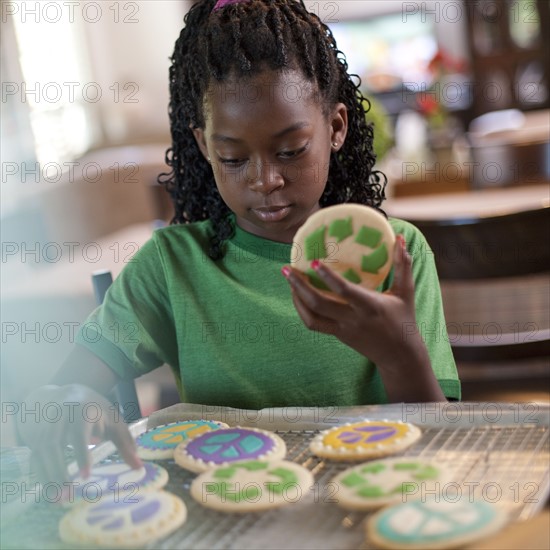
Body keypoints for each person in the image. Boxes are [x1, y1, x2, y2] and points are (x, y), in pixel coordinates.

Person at [18, 0, 460, 484]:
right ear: (206, 146)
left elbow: (440, 441)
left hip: (370, 505)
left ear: (335, 127)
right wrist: (63, 400)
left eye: (290, 151)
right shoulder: (171, 268)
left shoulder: (395, 254)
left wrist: (397, 351)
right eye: (232, 158)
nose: (265, 179)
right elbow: (67, 388)